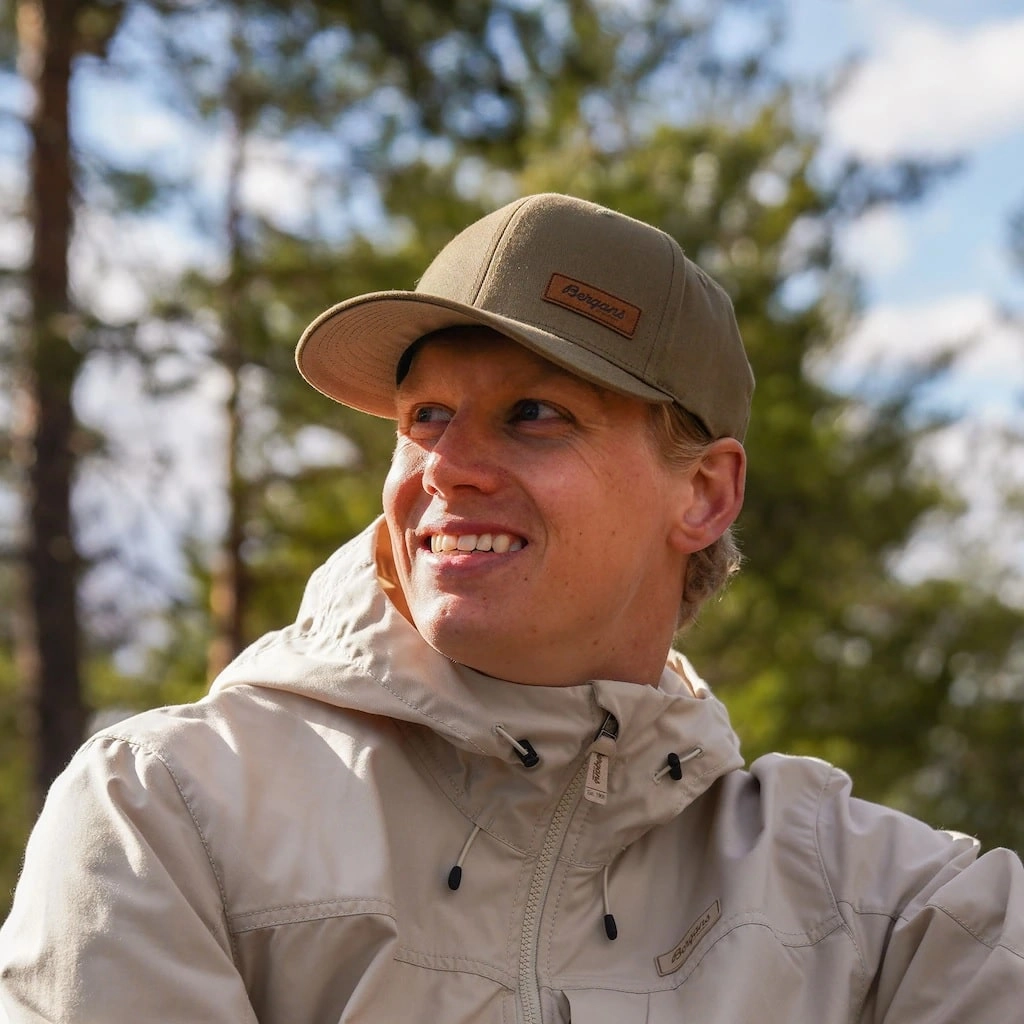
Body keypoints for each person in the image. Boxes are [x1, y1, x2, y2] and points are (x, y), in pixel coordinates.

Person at [1, 193, 1021, 1023]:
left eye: (534, 414)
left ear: (705, 494)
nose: (445, 466)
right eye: (425, 416)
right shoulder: (166, 812)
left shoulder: (882, 911)